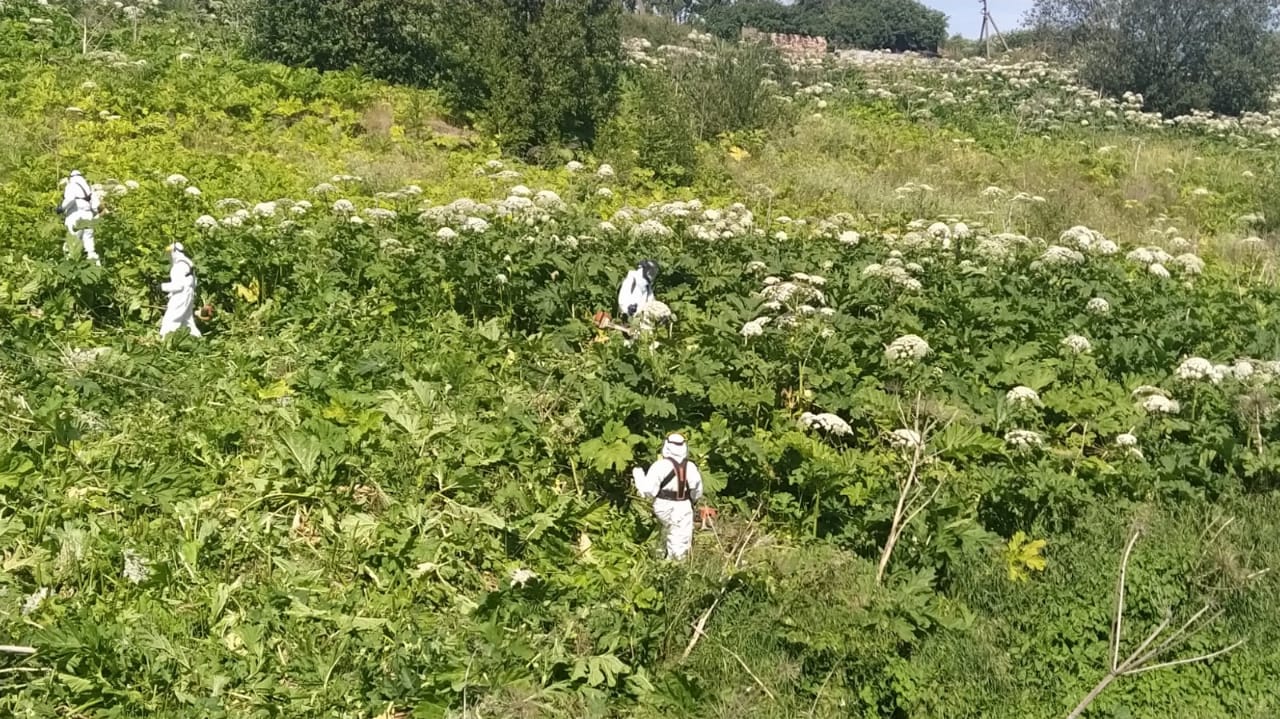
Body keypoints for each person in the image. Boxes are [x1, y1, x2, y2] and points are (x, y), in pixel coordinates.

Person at [632, 433, 704, 560]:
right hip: (682, 506)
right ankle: (674, 566)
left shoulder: (659, 465)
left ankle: (656, 559)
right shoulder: (691, 467)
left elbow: (648, 491)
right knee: (679, 541)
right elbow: (697, 491)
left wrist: (638, 475)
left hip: (661, 506)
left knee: (663, 531)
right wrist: (692, 501)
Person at [57, 170, 102, 264]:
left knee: (72, 241)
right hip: (88, 216)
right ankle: (95, 264)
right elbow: (95, 204)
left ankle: (69, 265)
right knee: (89, 242)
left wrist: (61, 208)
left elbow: (70, 199)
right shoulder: (88, 187)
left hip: (75, 215)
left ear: (71, 177)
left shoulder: (71, 185)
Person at [159, 243, 202, 339]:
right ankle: (197, 338)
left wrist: (161, 287)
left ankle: (166, 340)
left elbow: (178, 286)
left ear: (174, 252)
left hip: (180, 296)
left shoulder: (178, 266)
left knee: (171, 318)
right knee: (187, 320)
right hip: (189, 294)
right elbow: (194, 281)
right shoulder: (188, 263)